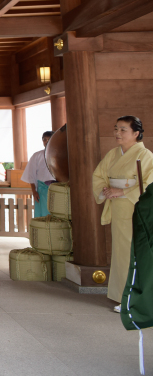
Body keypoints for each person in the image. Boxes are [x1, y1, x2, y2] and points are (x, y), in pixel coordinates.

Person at [92, 116, 153, 310]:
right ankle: (123, 296)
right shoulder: (113, 154)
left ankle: (136, 299)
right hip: (118, 209)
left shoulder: (145, 155)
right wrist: (106, 190)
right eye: (116, 129)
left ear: (136, 133)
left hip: (136, 208)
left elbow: (149, 184)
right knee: (121, 253)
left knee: (135, 252)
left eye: (123, 130)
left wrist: (122, 191)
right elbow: (99, 175)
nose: (117, 133)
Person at [21, 132, 55, 217]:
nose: (46, 141)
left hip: (57, 189)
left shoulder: (59, 154)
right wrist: (34, 191)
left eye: (49, 139)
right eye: (44, 139)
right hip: (42, 190)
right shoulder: (37, 155)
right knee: (43, 215)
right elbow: (31, 174)